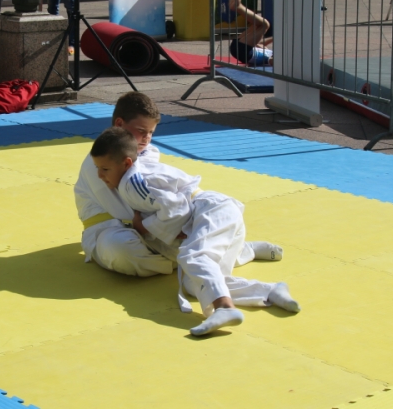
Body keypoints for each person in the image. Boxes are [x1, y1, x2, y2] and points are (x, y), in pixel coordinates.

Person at [90, 127, 300, 336]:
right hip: (212, 217)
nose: (99, 175)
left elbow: (178, 207)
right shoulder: (132, 176)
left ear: (126, 163)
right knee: (193, 282)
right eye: (97, 168)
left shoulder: (134, 183)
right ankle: (269, 289)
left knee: (193, 255)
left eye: (105, 169)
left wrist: (145, 227)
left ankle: (224, 308)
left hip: (211, 209)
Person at [74, 92, 284, 278]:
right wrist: (172, 227)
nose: (146, 139)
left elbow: (160, 196)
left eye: (151, 132)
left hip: (151, 225)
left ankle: (230, 251)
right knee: (120, 251)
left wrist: (181, 221)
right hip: (110, 228)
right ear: (119, 124)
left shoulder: (148, 153)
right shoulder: (99, 164)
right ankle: (216, 256)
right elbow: (130, 211)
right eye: (141, 131)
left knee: (203, 218)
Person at [219, 0, 274, 67]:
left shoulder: (272, 57)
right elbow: (260, 43)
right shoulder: (267, 51)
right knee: (258, 26)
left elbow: (271, 61)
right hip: (238, 48)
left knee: (264, 25)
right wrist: (274, 38)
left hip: (244, 52)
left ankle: (238, 7)